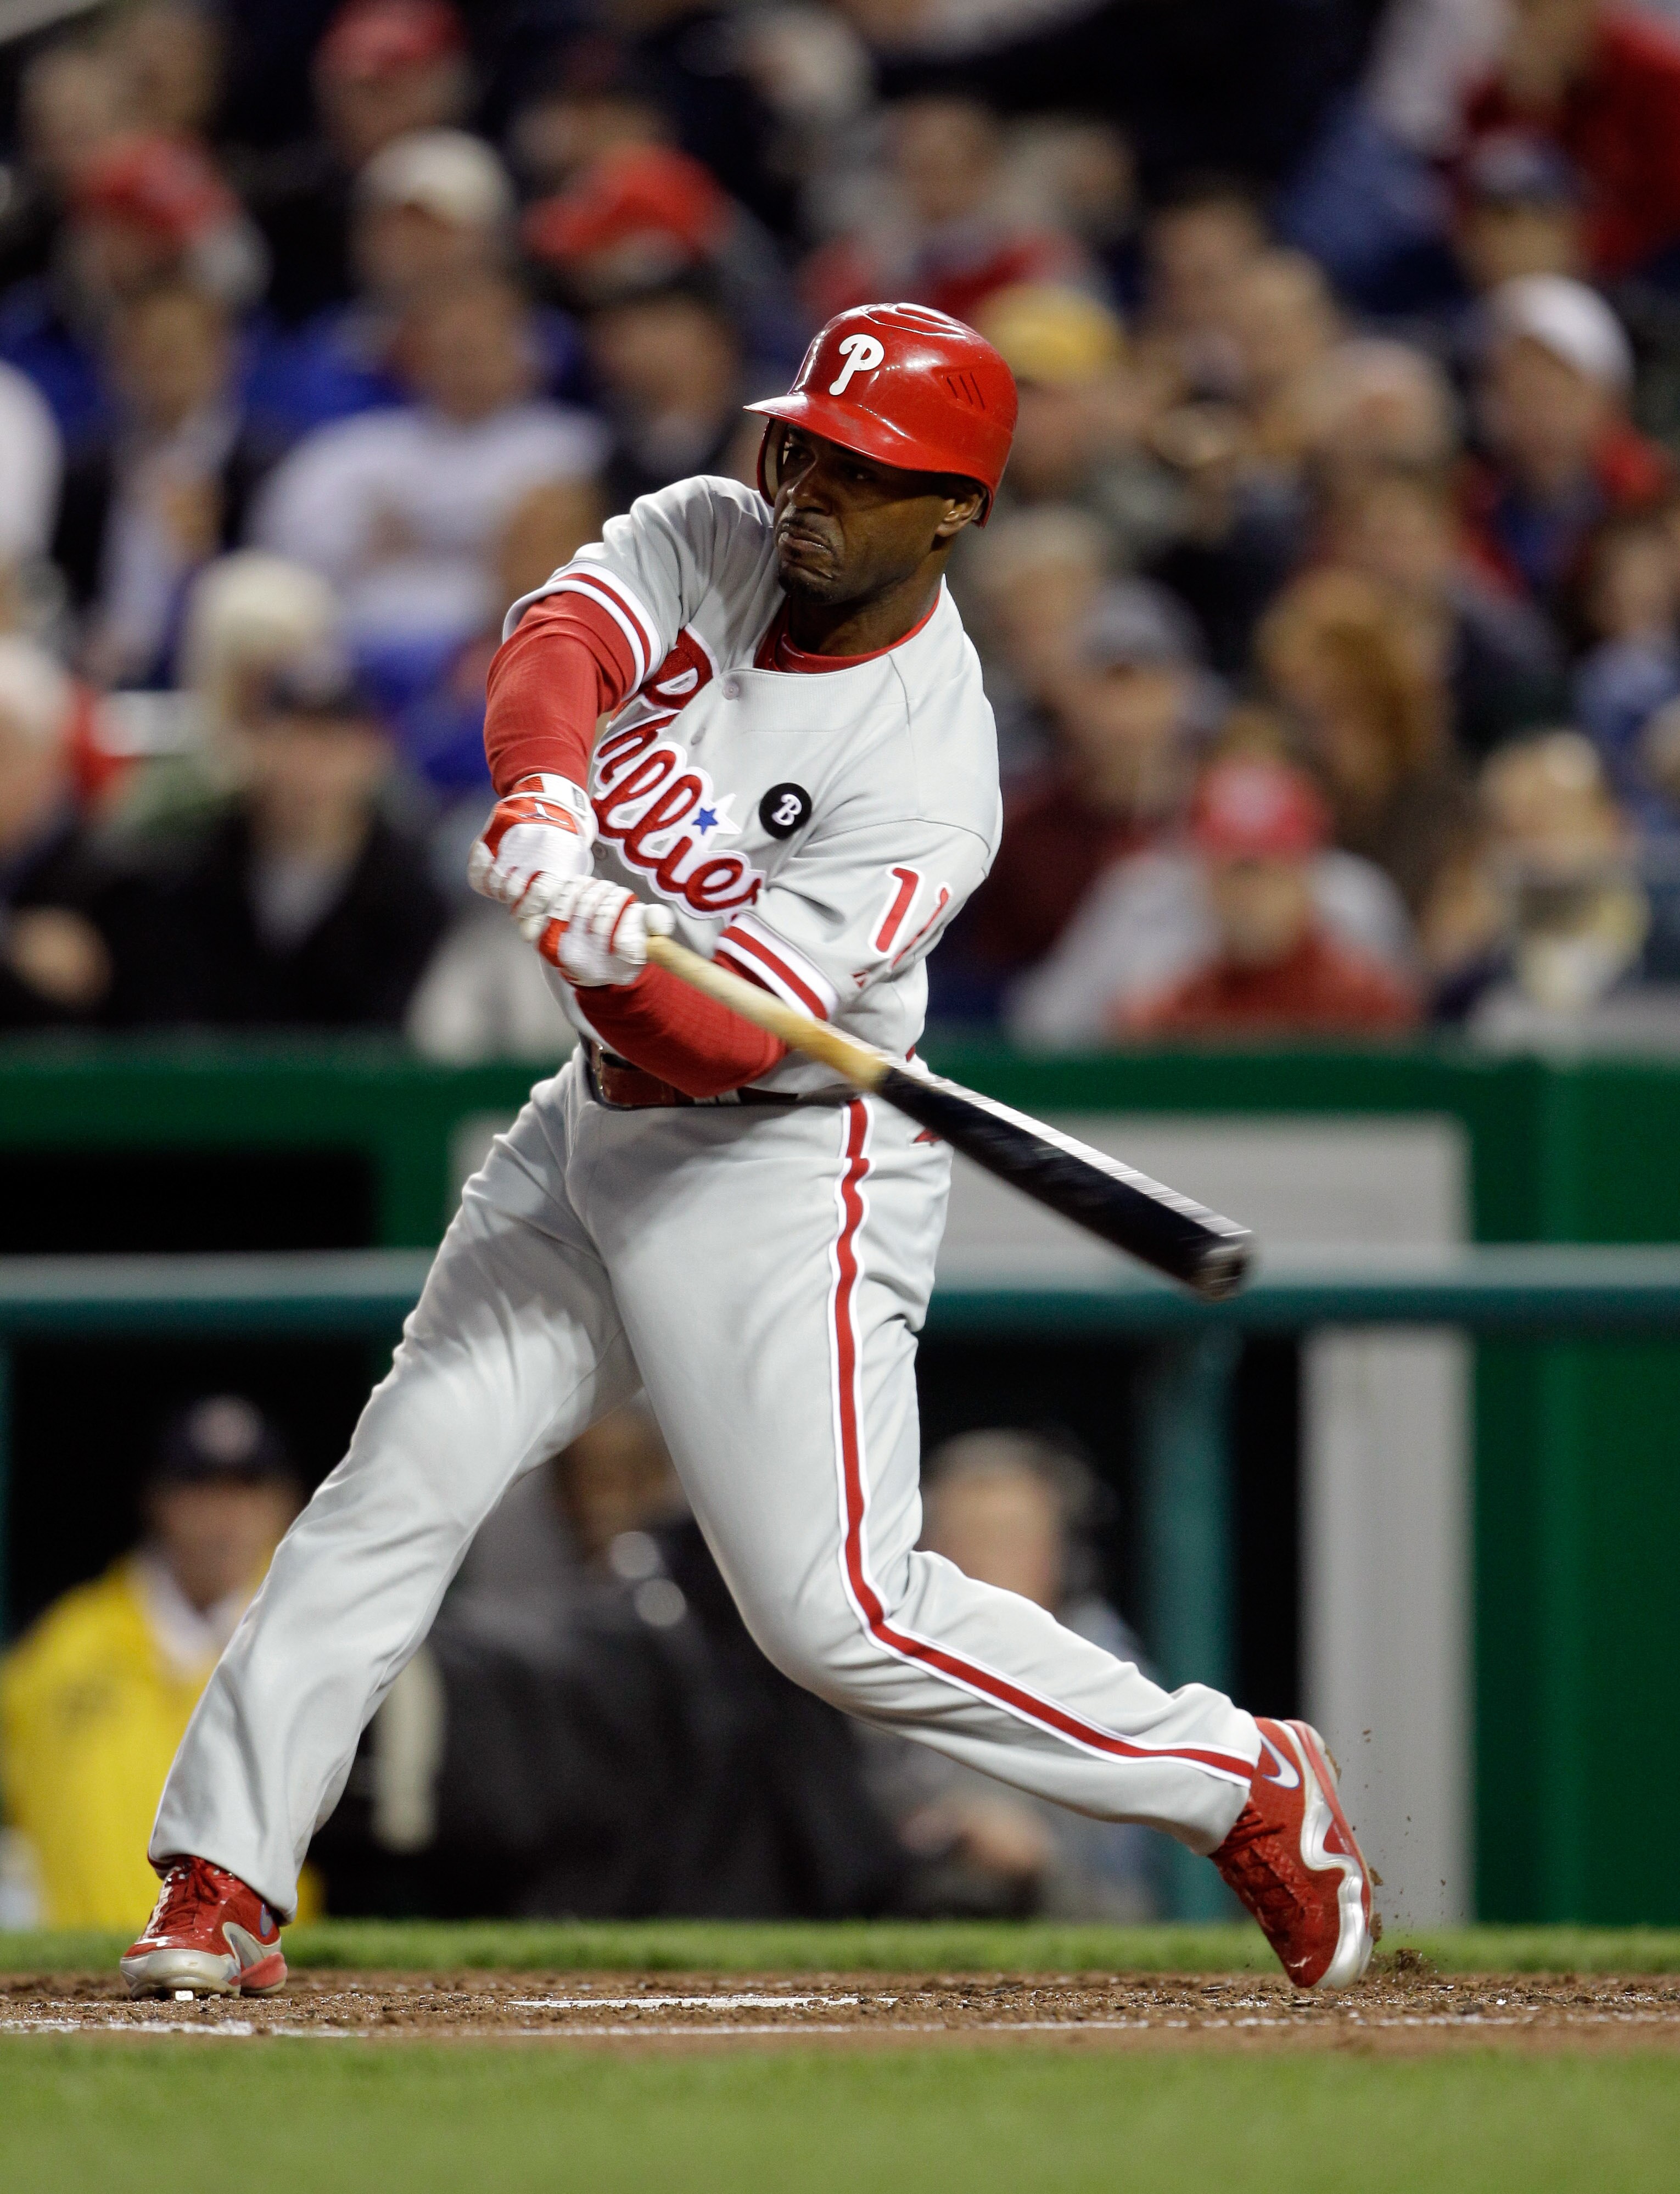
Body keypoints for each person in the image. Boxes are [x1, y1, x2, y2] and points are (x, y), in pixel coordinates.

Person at [121, 301, 1376, 2001]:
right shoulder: (715, 530)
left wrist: (590, 947)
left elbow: (720, 1039)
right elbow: (559, 640)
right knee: (398, 1479)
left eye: (863, 472)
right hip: (583, 1137)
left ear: (955, 513)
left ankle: (1241, 1781)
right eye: (802, 441)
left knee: (835, 1616)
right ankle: (220, 1876)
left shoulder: (931, 770)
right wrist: (547, 805)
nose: (806, 486)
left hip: (782, 1169)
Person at [0, 1398, 301, 1929]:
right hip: (86, 1993)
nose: (224, 1516)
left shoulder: (311, 1650)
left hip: (272, 1991)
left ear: (286, 1504)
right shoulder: (62, 1651)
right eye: (201, 1490)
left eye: (246, 1490)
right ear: (159, 1502)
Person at [251, 270, 606, 699]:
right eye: (450, 348)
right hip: (352, 661)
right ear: (414, 356)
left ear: (527, 354)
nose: (465, 365)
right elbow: (281, 566)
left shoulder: (574, 449)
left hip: (504, 653)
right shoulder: (348, 451)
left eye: (481, 348)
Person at [868, 1432, 1157, 1918]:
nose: (988, 1564)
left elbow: (1121, 1869)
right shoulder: (878, 1658)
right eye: (970, 1540)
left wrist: (1031, 1849)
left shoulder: (1102, 1659)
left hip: (1073, 1920)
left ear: (1059, 1558)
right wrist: (954, 1824)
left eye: (1012, 1541)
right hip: (906, 1908)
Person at [125, 650, 448, 1028]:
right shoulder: (187, 878)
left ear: (372, 755)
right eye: (291, 741)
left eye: (332, 745)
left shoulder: (412, 894)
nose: (310, 768)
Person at [53, 281, 283, 690]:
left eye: (178, 348)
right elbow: (63, 581)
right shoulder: (86, 469)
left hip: (220, 676)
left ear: (224, 355)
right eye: (144, 351)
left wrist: (206, 556)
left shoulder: (265, 466)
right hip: (98, 671)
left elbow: (276, 597)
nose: (161, 366)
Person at [1116, 756, 1421, 1039]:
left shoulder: (1369, 1009)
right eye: (1235, 873)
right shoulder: (1167, 1017)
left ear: (1304, 876)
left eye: (1268, 871)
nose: (1250, 897)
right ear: (1204, 881)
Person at [1461, 273, 1671, 617]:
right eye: (1520, 390)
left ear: (1610, 398)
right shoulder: (1465, 509)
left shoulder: (1657, 501)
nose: (1541, 411)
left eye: (1557, 389)